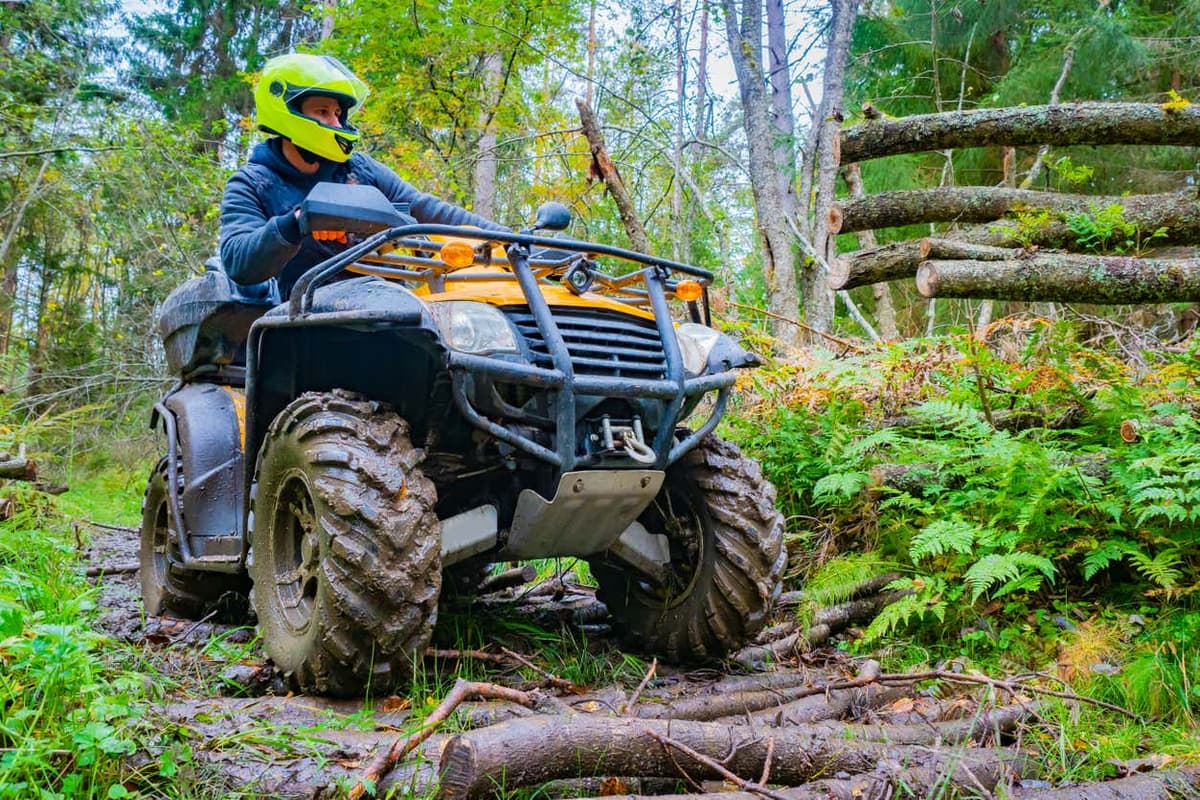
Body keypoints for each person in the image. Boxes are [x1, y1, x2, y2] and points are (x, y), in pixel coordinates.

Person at [219, 53, 505, 297]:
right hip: (307, 324)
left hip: (394, 313)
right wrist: (297, 222)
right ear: (288, 111)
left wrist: (512, 240)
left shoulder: (360, 169)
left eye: (338, 113)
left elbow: (428, 210)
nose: (335, 121)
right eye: (322, 111)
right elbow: (238, 258)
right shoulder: (252, 183)